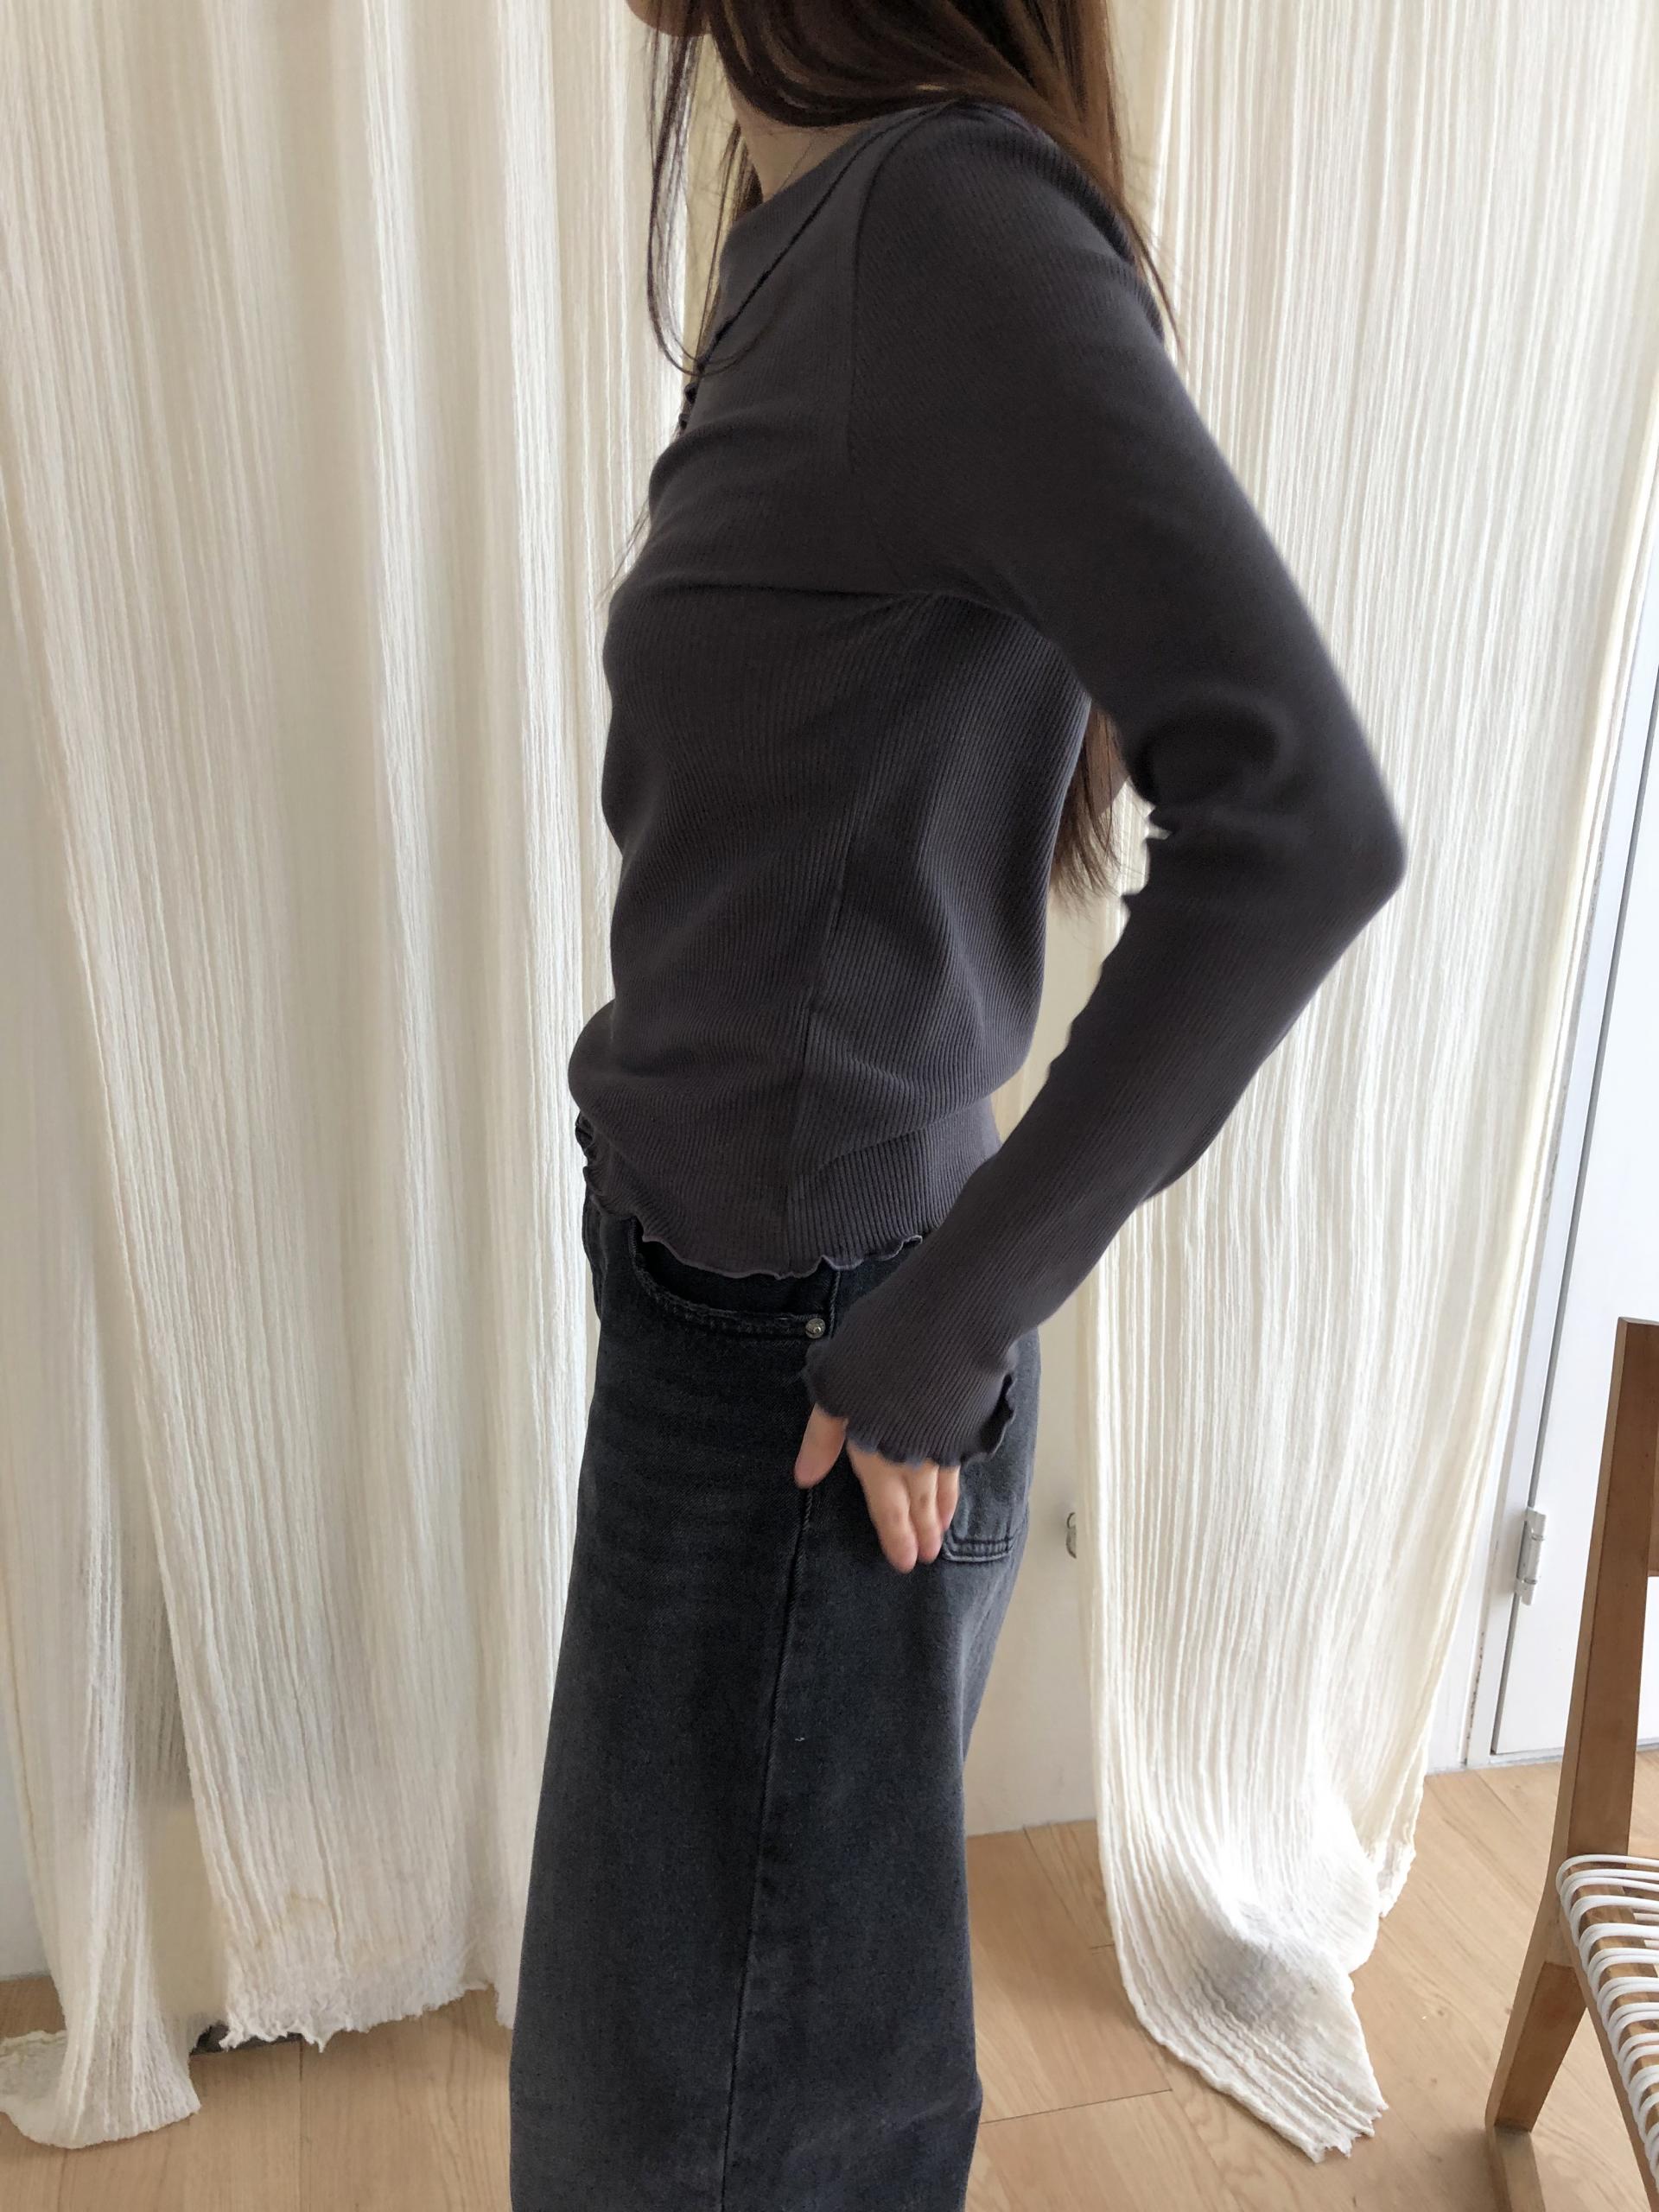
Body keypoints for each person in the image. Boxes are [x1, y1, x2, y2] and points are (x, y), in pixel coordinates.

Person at [509, 4, 1408, 2208]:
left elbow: (1303, 819)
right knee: (702, 2125)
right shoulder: (824, 229)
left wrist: (938, 1326)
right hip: (737, 1329)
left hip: (807, 1382)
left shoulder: (939, 231)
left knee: (710, 2152)